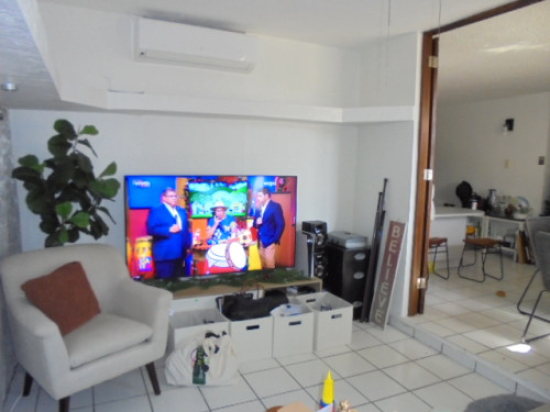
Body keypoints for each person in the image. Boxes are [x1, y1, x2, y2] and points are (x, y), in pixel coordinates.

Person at [146, 188, 191, 279]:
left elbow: (186, 230)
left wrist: (188, 246)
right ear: (164, 198)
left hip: (181, 254)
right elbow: (151, 229)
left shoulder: (181, 211)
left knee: (180, 282)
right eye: (171, 196)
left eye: (175, 196)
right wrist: (168, 229)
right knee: (165, 282)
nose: (174, 198)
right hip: (165, 255)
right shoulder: (156, 210)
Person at [253, 188, 285, 268]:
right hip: (260, 241)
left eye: (260, 196)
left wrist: (274, 239)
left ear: (266, 196)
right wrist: (256, 222)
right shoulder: (258, 207)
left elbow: (281, 224)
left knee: (269, 265)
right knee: (263, 265)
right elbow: (254, 224)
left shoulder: (275, 206)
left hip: (269, 241)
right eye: (257, 196)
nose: (258, 198)